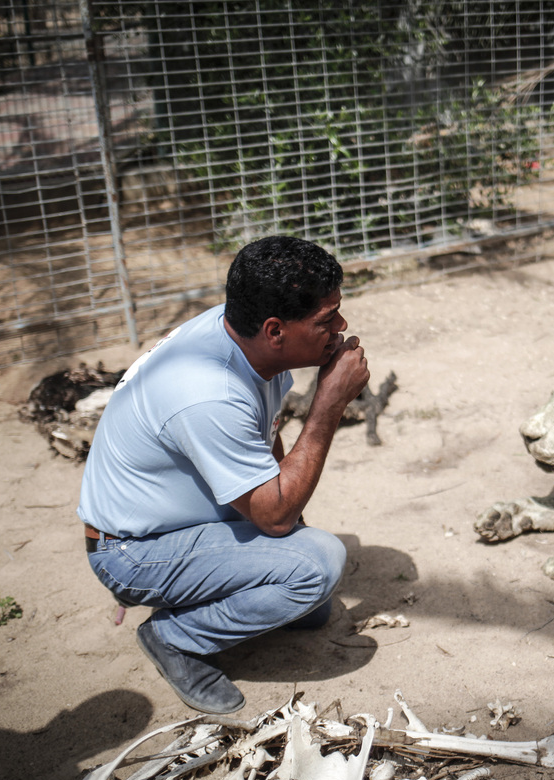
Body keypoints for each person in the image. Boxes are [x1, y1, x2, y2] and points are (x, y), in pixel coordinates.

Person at [78, 236, 369, 714]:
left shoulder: (248, 338)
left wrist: (286, 521)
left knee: (311, 601)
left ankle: (216, 599)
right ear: (275, 330)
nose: (340, 326)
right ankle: (174, 638)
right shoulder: (209, 389)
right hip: (132, 551)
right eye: (325, 320)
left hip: (185, 524)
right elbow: (274, 518)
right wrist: (328, 405)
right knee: (316, 567)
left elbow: (265, 434)